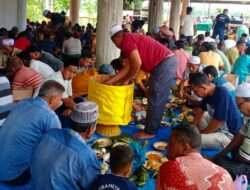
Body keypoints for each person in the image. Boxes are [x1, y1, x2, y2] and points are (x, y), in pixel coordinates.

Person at [106, 25, 177, 139]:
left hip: (165, 63)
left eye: (114, 43)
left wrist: (126, 80)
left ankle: (150, 131)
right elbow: (127, 67)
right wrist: (110, 81)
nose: (116, 46)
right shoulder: (129, 39)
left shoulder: (126, 41)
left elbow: (137, 64)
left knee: (156, 97)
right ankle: (150, 121)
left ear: (115, 39)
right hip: (164, 63)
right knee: (152, 95)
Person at [0, 80, 64, 185]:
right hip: (14, 175)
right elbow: (57, 150)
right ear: (52, 99)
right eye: (60, 100)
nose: (60, 103)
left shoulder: (23, 102)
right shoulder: (50, 116)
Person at [31, 101, 100, 189]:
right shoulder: (86, 155)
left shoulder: (49, 133)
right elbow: (92, 186)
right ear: (90, 130)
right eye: (95, 125)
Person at [156, 124, 234, 190]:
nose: (166, 147)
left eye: (171, 143)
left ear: (185, 148)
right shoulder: (225, 175)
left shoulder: (168, 168)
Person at [190, 73, 242, 149]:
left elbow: (218, 121)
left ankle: (208, 135)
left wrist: (201, 133)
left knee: (192, 140)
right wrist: (191, 128)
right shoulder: (208, 92)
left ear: (203, 87)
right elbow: (200, 111)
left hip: (228, 134)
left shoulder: (222, 93)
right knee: (198, 115)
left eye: (195, 91)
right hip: (219, 126)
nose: (195, 94)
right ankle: (209, 134)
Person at [213, 83, 250, 181]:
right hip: (246, 158)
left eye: (239, 105)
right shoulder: (248, 118)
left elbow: (244, 158)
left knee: (221, 164)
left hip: (247, 161)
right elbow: (239, 136)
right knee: (232, 148)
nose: (238, 109)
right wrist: (220, 154)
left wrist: (222, 159)